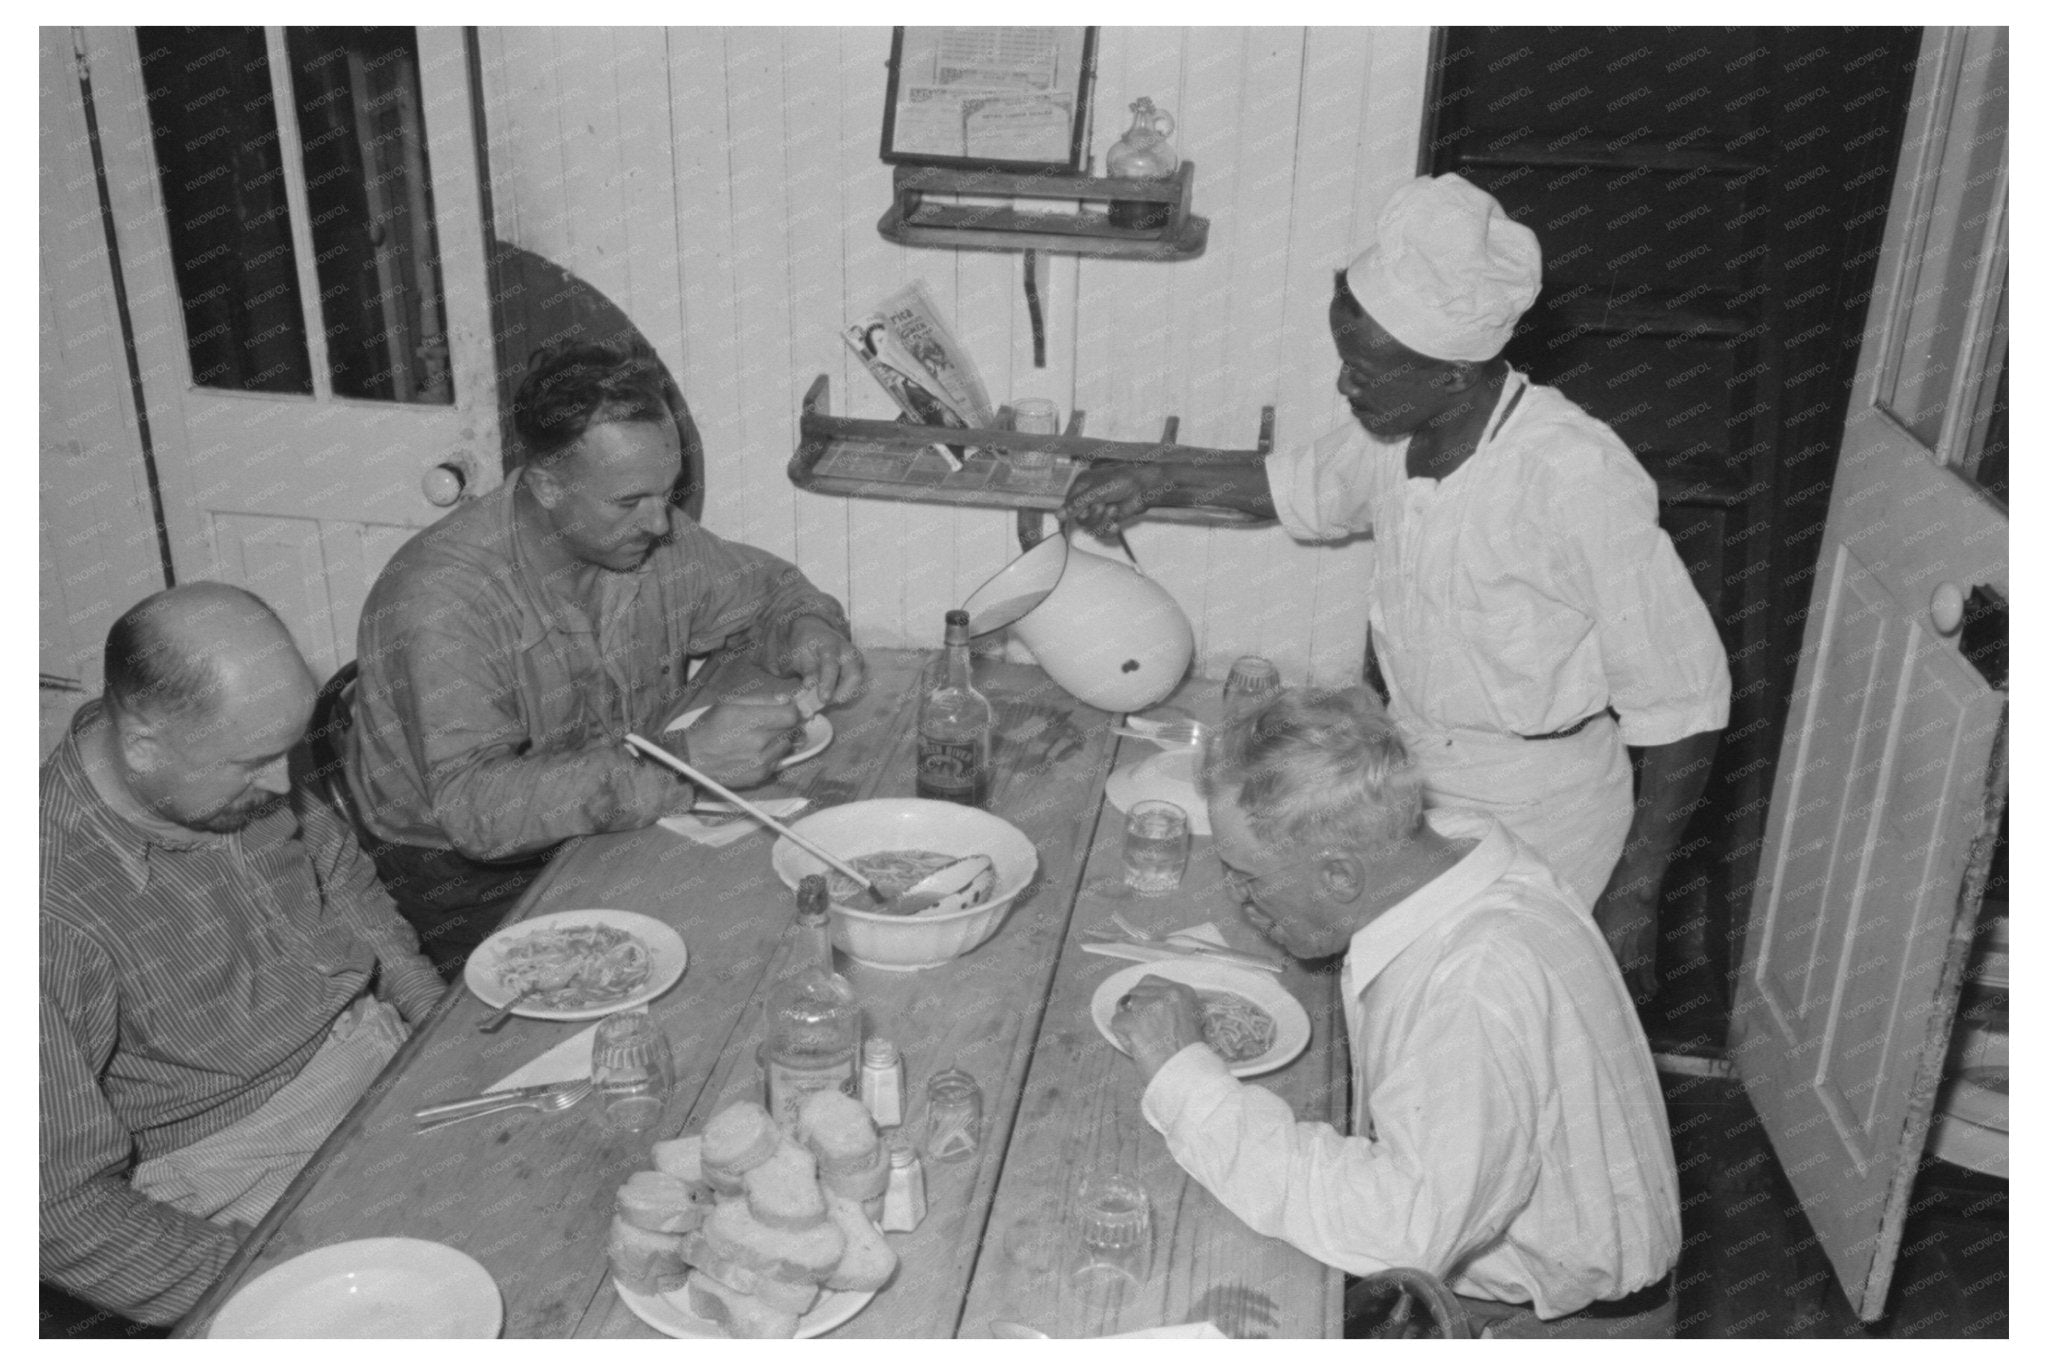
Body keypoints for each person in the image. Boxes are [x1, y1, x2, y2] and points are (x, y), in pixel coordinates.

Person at [1067, 174, 1728, 997]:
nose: (1347, 387)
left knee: (1496, 1014)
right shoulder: (1400, 429)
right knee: (1401, 996)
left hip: (1542, 811)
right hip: (1415, 781)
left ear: (1455, 373)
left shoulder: (1574, 477)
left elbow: (1686, 706)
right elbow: (1286, 483)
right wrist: (1148, 480)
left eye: (1364, 372)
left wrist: (1637, 896)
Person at [1111, 686, 1681, 1337]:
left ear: (1340, 877)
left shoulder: (1474, 984)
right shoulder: (1445, 858)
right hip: (1491, 1262)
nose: (1236, 898)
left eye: (1247, 876)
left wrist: (1184, 1078)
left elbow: (1400, 1233)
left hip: (1553, 1325)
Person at [348, 342, 865, 975]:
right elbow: (476, 808)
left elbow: (772, 592)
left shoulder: (642, 538)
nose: (661, 523)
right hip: (470, 877)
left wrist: (808, 628)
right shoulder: (441, 602)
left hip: (614, 809)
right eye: (629, 502)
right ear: (545, 487)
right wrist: (687, 763)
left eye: (666, 492)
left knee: (773, 926)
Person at [41, 584, 445, 1326]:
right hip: (240, 1172)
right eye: (255, 762)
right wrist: (268, 1281)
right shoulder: (50, 907)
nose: (283, 785)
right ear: (141, 741)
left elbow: (342, 878)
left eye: (287, 752)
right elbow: (57, 1204)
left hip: (381, 1057)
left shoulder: (224, 769)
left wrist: (437, 1026)